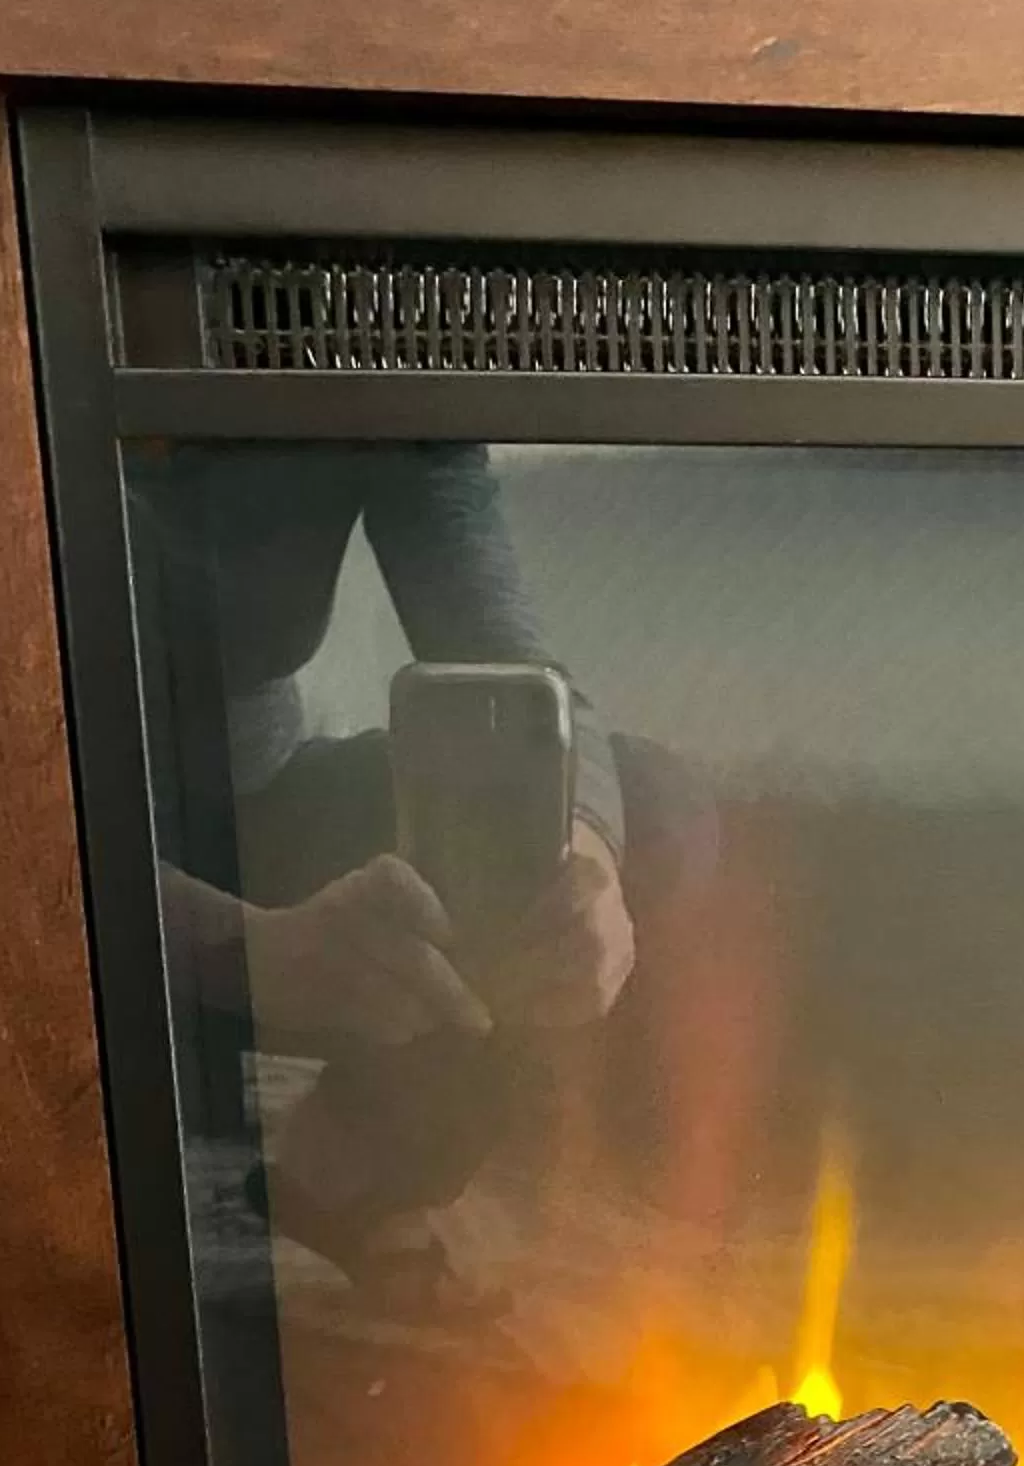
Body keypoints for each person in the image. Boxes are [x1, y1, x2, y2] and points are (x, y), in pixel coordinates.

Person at [129, 439, 665, 1309]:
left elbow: (521, 670)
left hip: (251, 796)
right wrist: (236, 951)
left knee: (654, 810)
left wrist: (590, 857)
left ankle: (341, 1174)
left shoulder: (328, 348)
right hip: (38, 870)